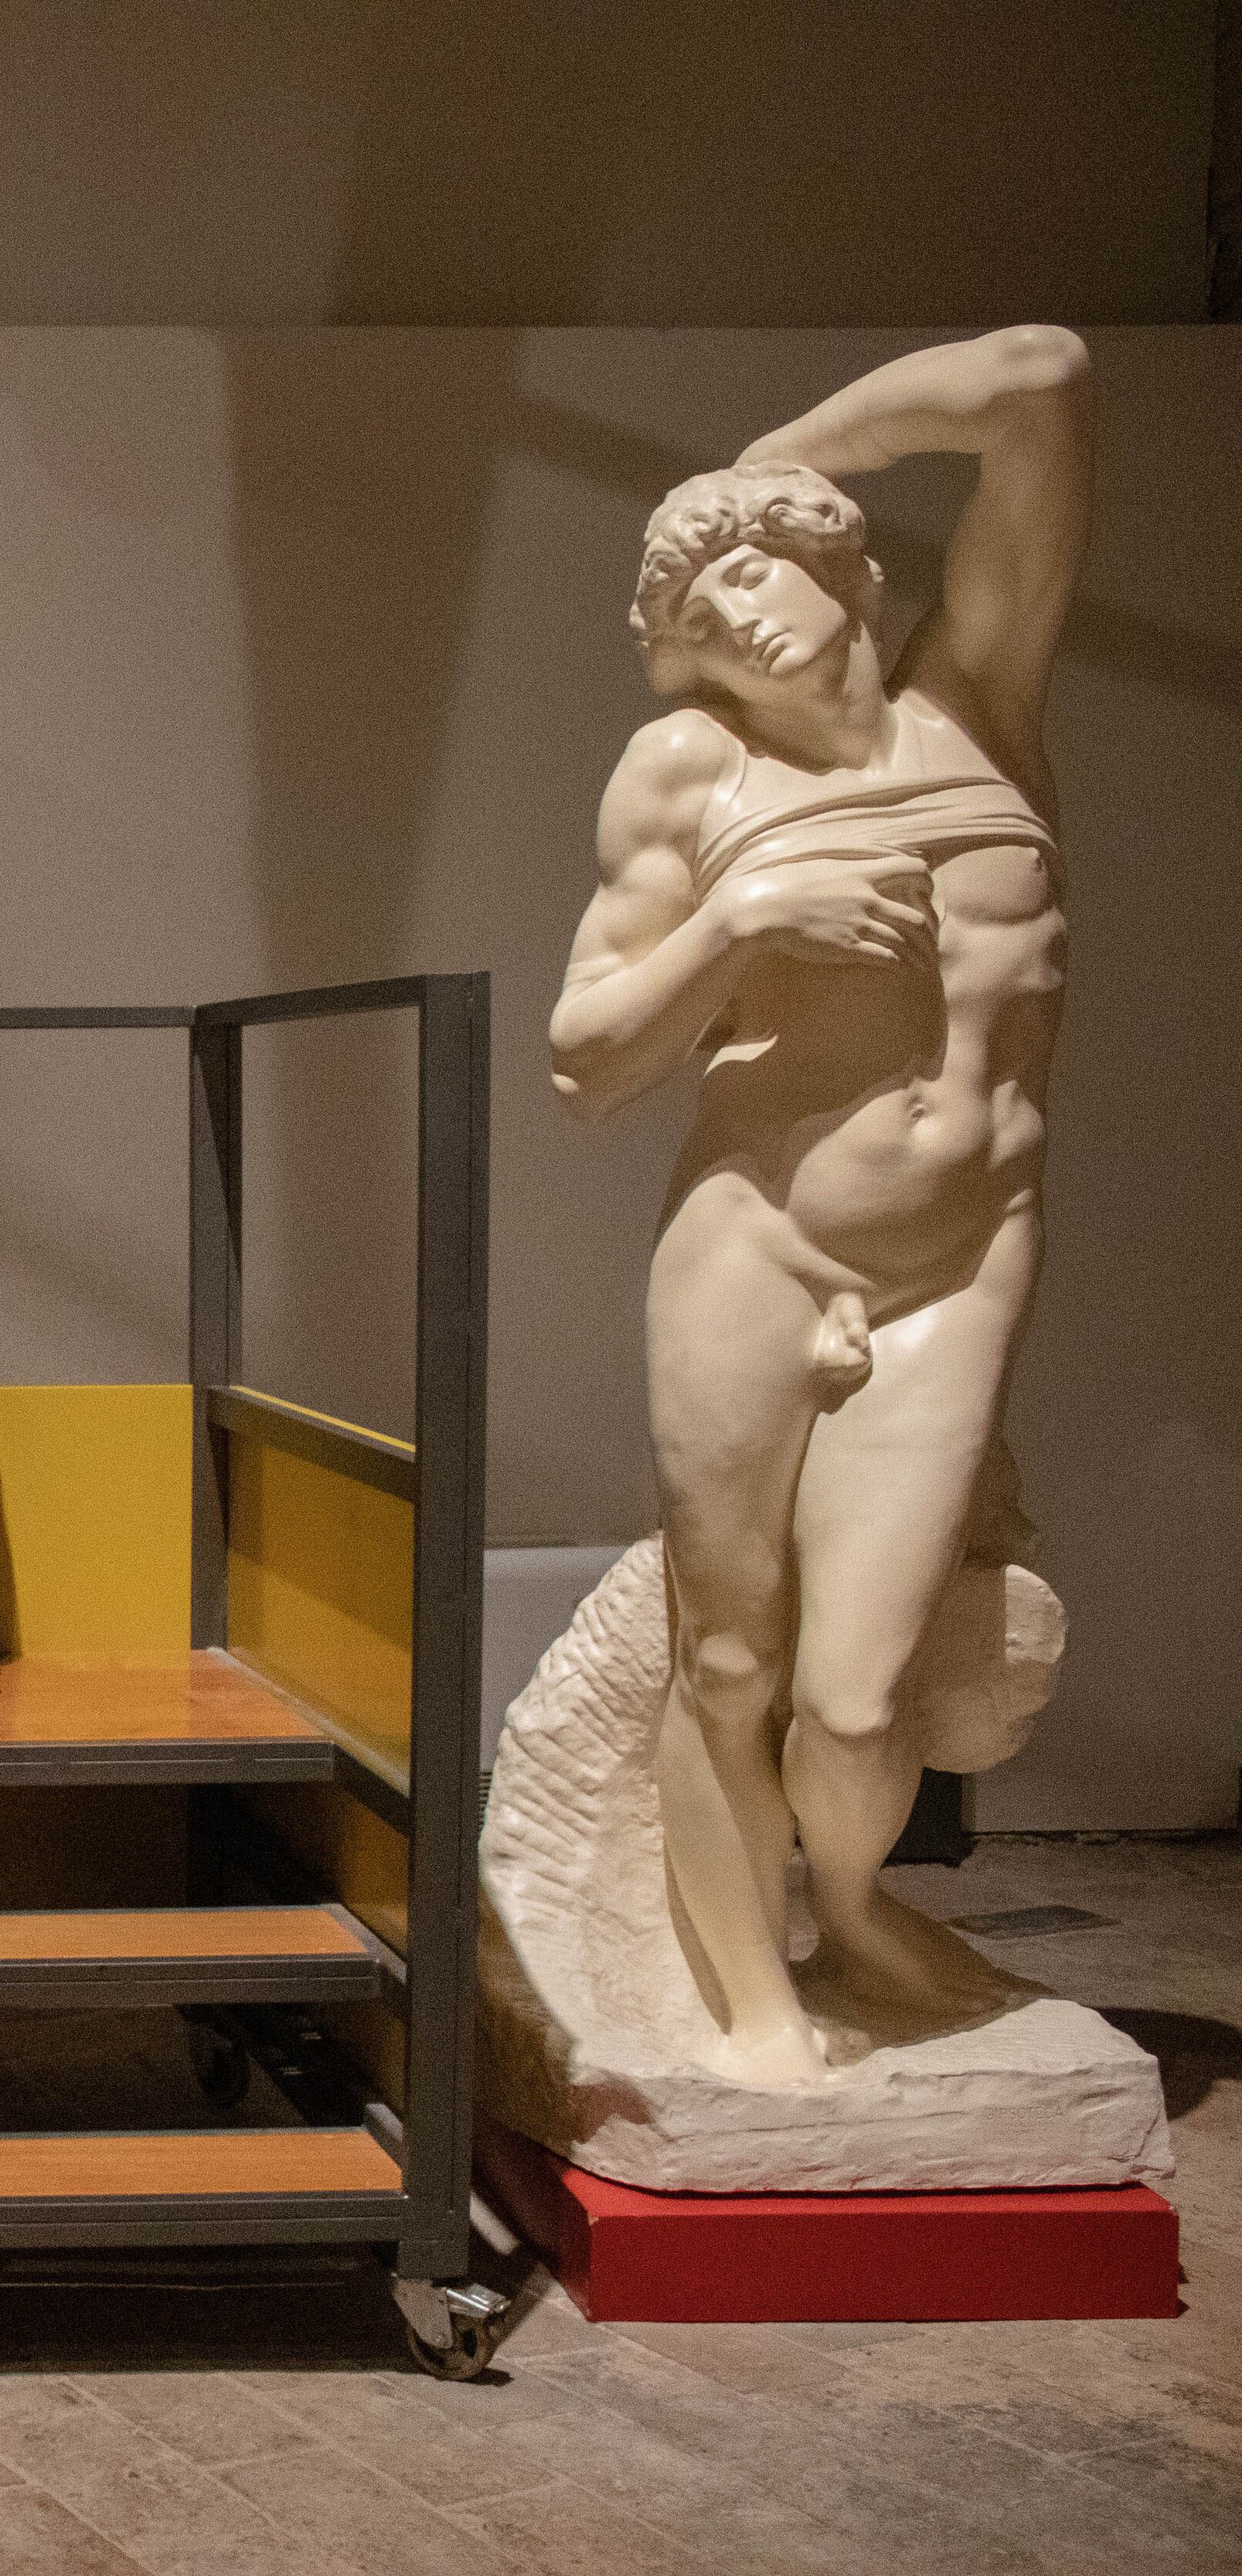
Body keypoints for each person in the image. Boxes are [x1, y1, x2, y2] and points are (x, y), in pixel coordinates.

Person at [548, 326, 1087, 2084]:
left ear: (836, 551)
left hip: (957, 1254)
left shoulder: (981, 701)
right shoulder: (692, 783)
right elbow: (581, 1057)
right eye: (693, 616)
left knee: (856, 1697)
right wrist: (737, 926)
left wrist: (760, 461)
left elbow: (1039, 374)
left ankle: (849, 1908)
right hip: (759, 1239)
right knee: (732, 1659)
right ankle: (750, 2001)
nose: (736, 622)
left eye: (754, 571)